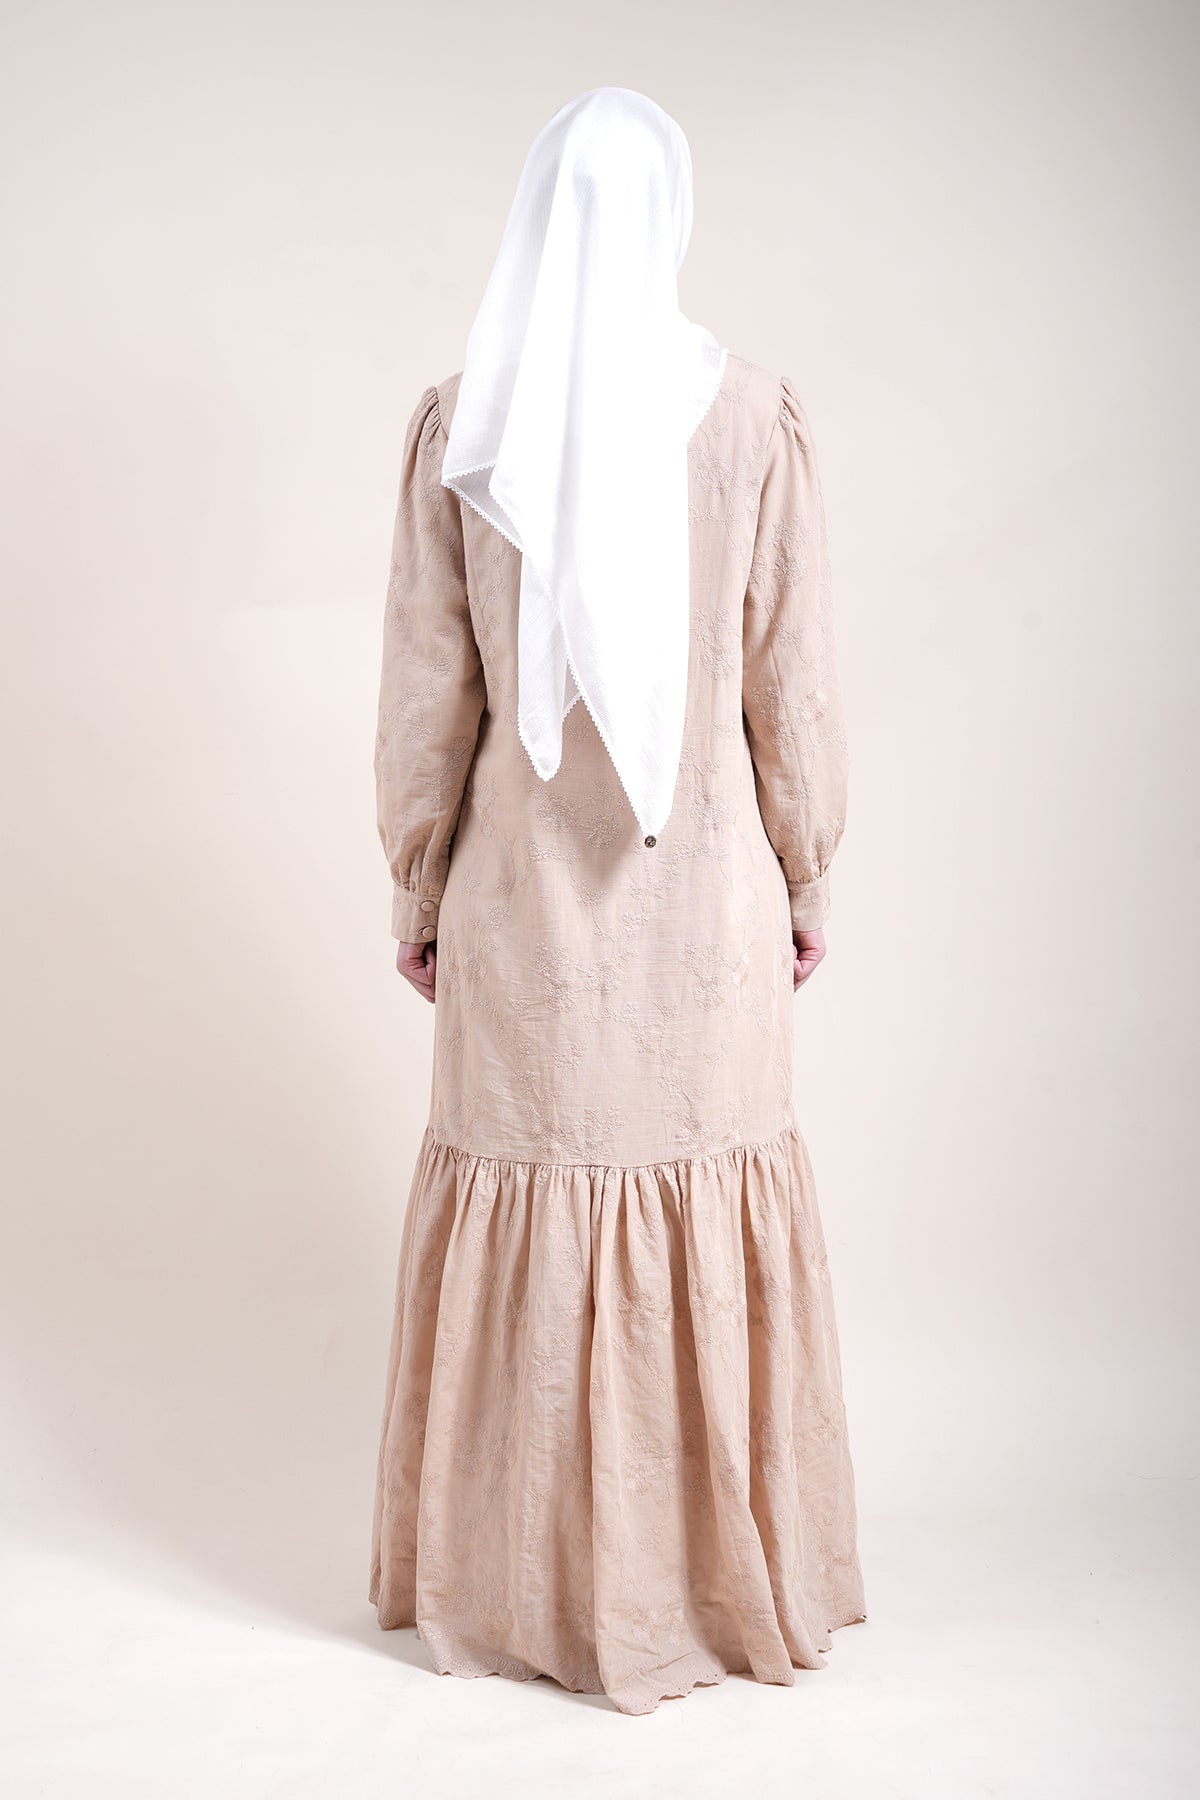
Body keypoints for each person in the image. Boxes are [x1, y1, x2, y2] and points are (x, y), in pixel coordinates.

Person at [368, 86, 867, 1716]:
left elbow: (428, 692)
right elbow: (791, 681)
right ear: (671, 212)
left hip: (518, 903)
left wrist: (416, 882)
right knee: (689, 1210)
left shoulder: (468, 423)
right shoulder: (752, 419)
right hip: (703, 897)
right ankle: (707, 1589)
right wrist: (805, 866)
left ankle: (520, 1589)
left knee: (535, 1200)